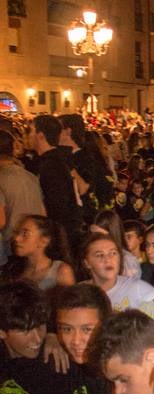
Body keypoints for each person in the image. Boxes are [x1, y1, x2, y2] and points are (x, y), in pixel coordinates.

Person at [28, 115, 83, 250]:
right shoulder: (51, 161)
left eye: (30, 131)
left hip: (59, 239)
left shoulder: (53, 165)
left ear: (40, 136)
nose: (27, 135)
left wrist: (51, 239)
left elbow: (58, 207)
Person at [0, 129, 45, 267]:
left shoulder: (1, 179)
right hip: (34, 246)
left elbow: (1, 221)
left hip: (11, 248)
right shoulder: (30, 177)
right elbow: (43, 213)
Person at [81, 232, 154, 312]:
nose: (108, 259)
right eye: (100, 255)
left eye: (113, 253)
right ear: (87, 263)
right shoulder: (79, 294)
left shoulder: (140, 290)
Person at [6, 215, 75, 289]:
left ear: (43, 241)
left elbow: (71, 300)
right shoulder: (13, 270)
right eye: (16, 233)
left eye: (25, 234)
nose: (16, 238)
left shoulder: (61, 271)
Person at [92, 209, 141, 279]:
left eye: (101, 235)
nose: (96, 239)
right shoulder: (91, 255)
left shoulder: (127, 260)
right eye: (94, 234)